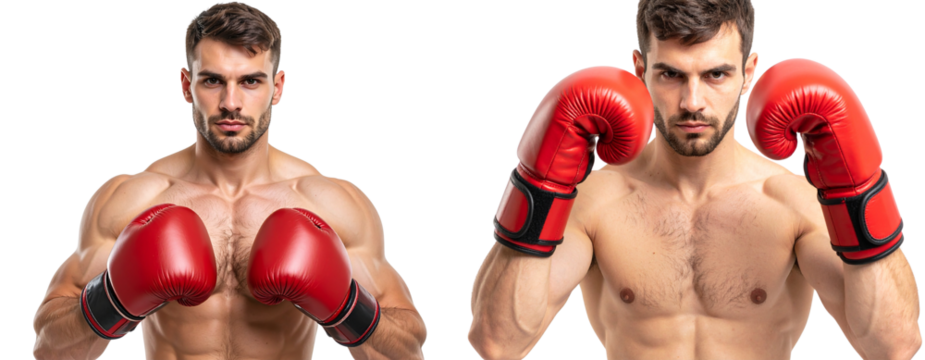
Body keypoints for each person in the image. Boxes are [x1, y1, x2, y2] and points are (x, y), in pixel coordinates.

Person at [467, 1, 922, 359]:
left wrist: (856, 187)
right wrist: (541, 185)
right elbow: (498, 344)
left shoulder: (796, 204)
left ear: (748, 73)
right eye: (670, 74)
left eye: (716, 74)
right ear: (640, 70)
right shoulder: (594, 203)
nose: (692, 102)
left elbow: (891, 347)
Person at [31, 2, 427, 359]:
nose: (231, 103)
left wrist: (345, 307)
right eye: (213, 81)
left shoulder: (329, 202)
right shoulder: (133, 198)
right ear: (187, 86)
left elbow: (407, 349)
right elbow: (50, 347)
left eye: (251, 81)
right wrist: (113, 300)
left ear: (278, 88)